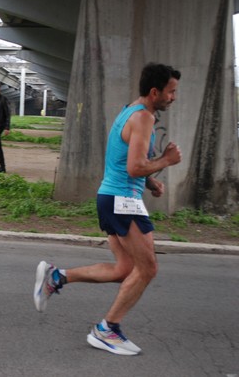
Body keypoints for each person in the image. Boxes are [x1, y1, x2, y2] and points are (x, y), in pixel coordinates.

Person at [34, 63, 182, 356]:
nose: (173, 97)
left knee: (124, 269)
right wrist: (166, 161)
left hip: (113, 197)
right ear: (155, 92)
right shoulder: (143, 118)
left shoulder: (130, 111)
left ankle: (57, 277)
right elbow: (134, 165)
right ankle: (107, 330)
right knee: (148, 267)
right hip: (122, 201)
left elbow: (125, 160)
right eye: (171, 91)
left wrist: (150, 181)